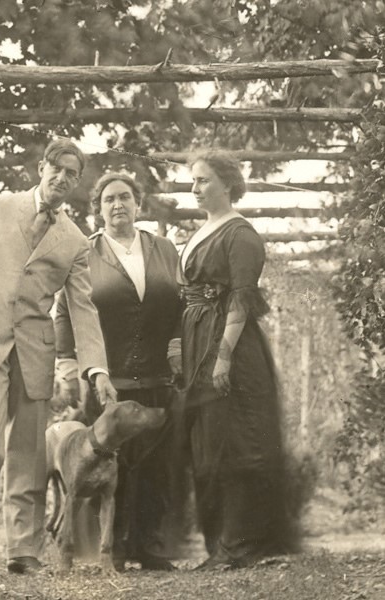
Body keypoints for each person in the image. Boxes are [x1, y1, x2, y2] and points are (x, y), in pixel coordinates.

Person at [0, 138, 117, 578]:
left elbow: (83, 308)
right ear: (42, 168)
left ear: (77, 183)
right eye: (58, 169)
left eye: (73, 175)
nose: (63, 179)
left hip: (35, 354)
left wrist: (97, 368)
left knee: (29, 454)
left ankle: (23, 552)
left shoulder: (74, 240)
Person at [55, 171, 182, 571]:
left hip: (159, 376)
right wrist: (71, 364)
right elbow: (64, 312)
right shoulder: (85, 252)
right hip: (108, 382)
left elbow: (182, 303)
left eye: (125, 197)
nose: (118, 205)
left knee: (157, 468)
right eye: (109, 199)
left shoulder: (163, 248)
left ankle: (153, 548)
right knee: (112, 468)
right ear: (98, 210)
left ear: (137, 204)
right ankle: (113, 550)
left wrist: (177, 347)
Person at [178, 151, 297, 569]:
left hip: (229, 347)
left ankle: (240, 544)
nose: (194, 189)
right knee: (206, 445)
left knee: (235, 442)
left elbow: (241, 300)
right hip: (197, 342)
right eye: (193, 181)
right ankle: (218, 546)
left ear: (227, 184)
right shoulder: (200, 231)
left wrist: (223, 357)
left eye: (203, 181)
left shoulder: (241, 234)